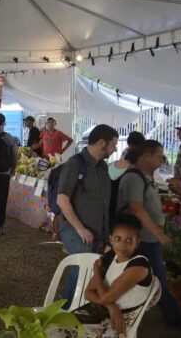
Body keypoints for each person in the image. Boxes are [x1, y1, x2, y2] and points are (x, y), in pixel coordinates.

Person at [49, 214, 155, 338]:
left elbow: (104, 298)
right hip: (102, 310)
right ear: (111, 239)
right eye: (117, 238)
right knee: (53, 327)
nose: (122, 245)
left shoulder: (139, 266)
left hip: (120, 321)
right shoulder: (110, 257)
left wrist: (97, 271)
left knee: (63, 334)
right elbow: (88, 292)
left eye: (129, 240)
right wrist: (111, 306)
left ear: (137, 243)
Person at [115, 140, 181, 326]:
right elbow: (136, 208)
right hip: (141, 239)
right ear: (146, 156)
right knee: (157, 278)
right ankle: (173, 316)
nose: (163, 160)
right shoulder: (133, 178)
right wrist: (159, 234)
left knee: (151, 278)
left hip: (146, 238)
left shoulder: (146, 176)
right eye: (159, 156)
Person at [57, 124, 118, 307]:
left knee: (85, 270)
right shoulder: (76, 163)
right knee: (83, 270)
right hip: (76, 230)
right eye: (113, 144)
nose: (115, 149)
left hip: (96, 232)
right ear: (101, 142)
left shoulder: (102, 167)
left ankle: (68, 309)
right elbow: (62, 199)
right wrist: (80, 229)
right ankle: (67, 310)